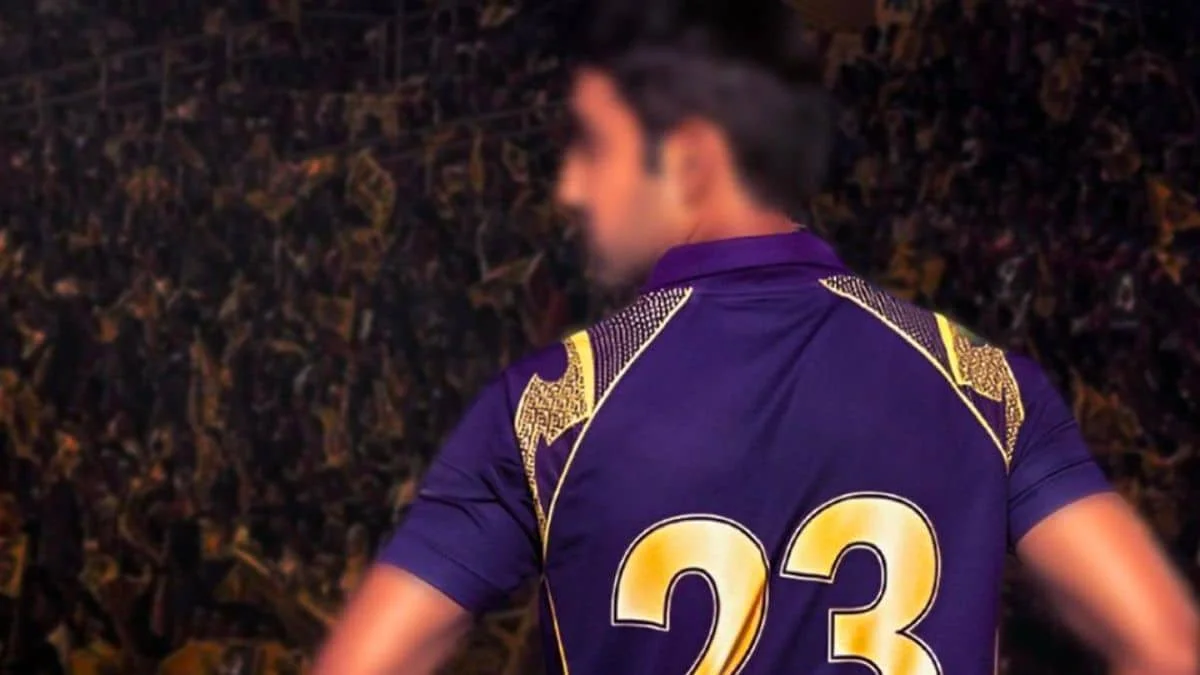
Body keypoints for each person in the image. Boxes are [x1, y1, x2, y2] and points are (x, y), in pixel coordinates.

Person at [314, 0, 1200, 673]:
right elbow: (1166, 642)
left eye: (593, 145)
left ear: (690, 154)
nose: (572, 188)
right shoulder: (983, 385)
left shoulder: (551, 407)